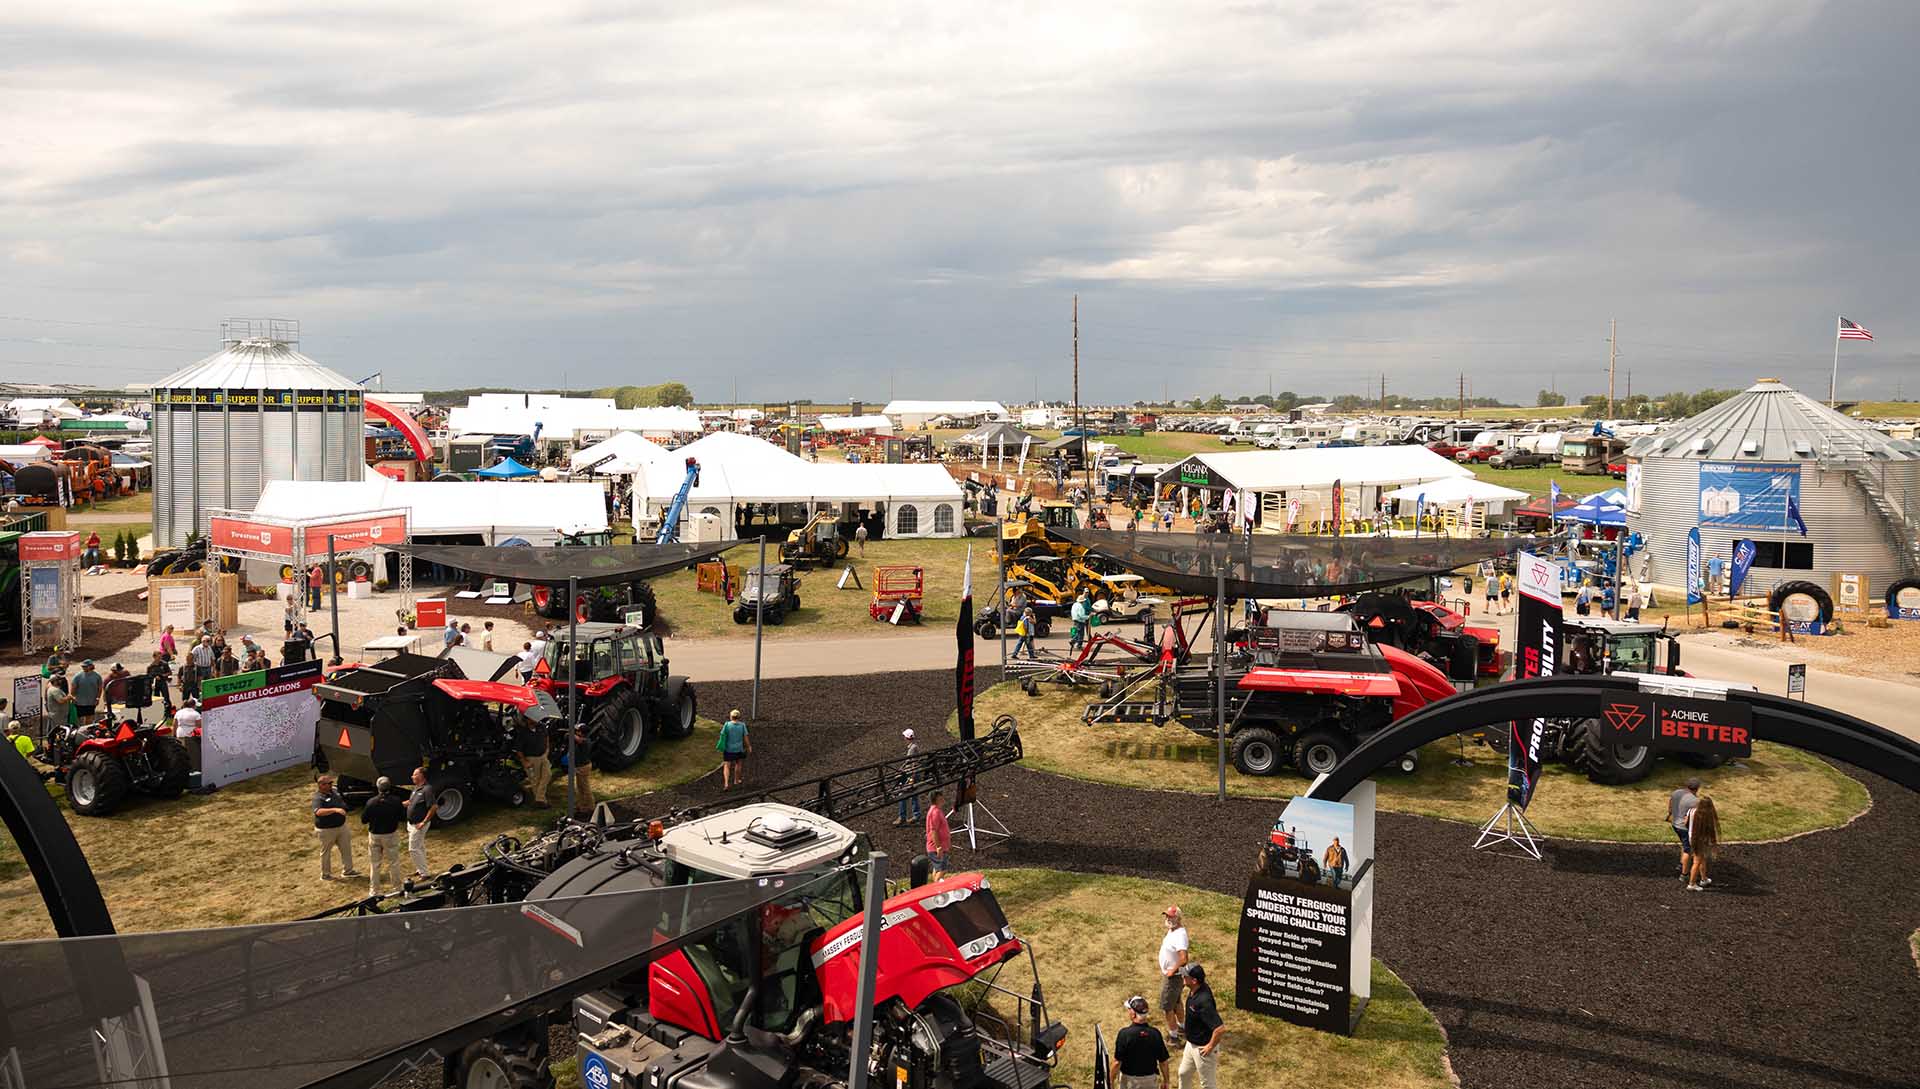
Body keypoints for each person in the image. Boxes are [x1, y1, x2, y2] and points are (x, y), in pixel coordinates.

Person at [1178, 964, 1225, 1089]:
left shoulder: (1204, 1001)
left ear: (1194, 980)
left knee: (1207, 1085)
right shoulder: (1195, 989)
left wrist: (1209, 1047)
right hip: (1191, 1044)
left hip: (1202, 1049)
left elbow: (1219, 1029)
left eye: (1185, 976)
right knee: (1183, 1074)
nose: (1182, 976)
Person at [1112, 995, 1171, 1089]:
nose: (1128, 1011)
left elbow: (1117, 1063)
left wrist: (1110, 1081)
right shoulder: (1155, 1034)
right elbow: (1163, 1061)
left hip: (1129, 1081)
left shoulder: (1124, 1034)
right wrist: (1166, 1081)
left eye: (1129, 1009)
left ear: (1133, 1014)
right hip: (1150, 1081)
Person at [360, 777, 407, 895]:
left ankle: (374, 891)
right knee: (394, 862)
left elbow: (363, 820)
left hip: (375, 835)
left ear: (378, 788)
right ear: (389, 787)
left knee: (375, 864)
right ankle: (397, 888)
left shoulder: (371, 802)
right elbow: (402, 817)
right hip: (390, 834)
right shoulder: (396, 801)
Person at [312, 774, 358, 882]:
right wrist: (335, 810)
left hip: (341, 827)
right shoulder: (318, 797)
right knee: (326, 852)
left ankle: (348, 871)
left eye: (331, 783)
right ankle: (325, 874)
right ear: (321, 785)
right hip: (326, 830)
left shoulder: (334, 792)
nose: (331, 785)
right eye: (329, 783)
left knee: (346, 848)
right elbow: (318, 812)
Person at [1158, 905, 1190, 1043]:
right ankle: (1182, 1027)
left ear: (1178, 918)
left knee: (1167, 1007)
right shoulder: (1173, 930)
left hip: (1173, 978)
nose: (1168, 918)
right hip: (1175, 976)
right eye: (1167, 916)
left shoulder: (1180, 936)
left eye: (1171, 916)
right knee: (1176, 1003)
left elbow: (1184, 958)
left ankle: (1173, 1037)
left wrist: (1173, 970)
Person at [406, 767, 437, 878]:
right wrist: (406, 803)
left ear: (421, 776)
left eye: (414, 774)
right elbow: (413, 801)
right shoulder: (416, 788)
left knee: (413, 849)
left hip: (419, 825)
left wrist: (423, 822)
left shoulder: (427, 789)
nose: (412, 776)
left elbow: (433, 807)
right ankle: (421, 869)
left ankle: (425, 874)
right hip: (411, 824)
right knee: (420, 847)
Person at [1668, 776, 1701, 878]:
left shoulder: (1676, 792)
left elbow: (1670, 803)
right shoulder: (1695, 801)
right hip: (1684, 828)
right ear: (1697, 788)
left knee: (1684, 843)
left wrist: (1670, 813)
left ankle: (1682, 863)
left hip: (1674, 824)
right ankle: (1684, 874)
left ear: (1687, 786)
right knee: (1688, 850)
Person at [517, 710, 552, 808]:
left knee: (548, 775)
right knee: (535, 780)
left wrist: (547, 751)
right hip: (531, 758)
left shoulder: (542, 727)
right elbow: (519, 749)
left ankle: (539, 799)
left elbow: (547, 738)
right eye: (533, 718)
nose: (536, 719)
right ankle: (542, 802)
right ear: (528, 720)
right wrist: (524, 761)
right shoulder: (523, 732)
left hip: (543, 756)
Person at [1686, 795, 1720, 892]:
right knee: (1696, 862)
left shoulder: (1691, 811)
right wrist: (1712, 843)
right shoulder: (1706, 815)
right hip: (1700, 841)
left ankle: (1704, 879)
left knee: (1702, 859)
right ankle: (1691, 884)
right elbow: (1709, 831)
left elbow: (1685, 823)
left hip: (1691, 837)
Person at [718, 709, 750, 789]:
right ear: (739, 717)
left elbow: (722, 735)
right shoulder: (742, 725)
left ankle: (726, 783)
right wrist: (748, 746)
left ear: (731, 717)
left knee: (727, 766)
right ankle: (736, 780)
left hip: (728, 749)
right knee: (738, 764)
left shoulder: (727, 725)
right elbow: (745, 737)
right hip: (739, 749)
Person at [895, 729, 921, 826]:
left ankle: (902, 817)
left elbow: (912, 763)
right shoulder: (914, 747)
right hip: (913, 774)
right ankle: (916, 815)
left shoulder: (912, 749)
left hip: (911, 774)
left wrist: (912, 776)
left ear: (906, 738)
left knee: (902, 794)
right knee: (914, 794)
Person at [925, 790, 951, 876]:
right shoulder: (935, 812)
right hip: (936, 847)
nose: (943, 799)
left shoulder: (937, 811)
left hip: (940, 846)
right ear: (937, 799)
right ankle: (937, 888)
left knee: (937, 870)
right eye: (941, 797)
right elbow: (933, 830)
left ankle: (935, 885)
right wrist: (938, 847)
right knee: (942, 870)